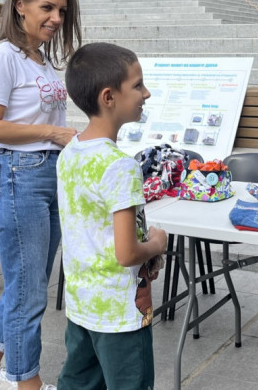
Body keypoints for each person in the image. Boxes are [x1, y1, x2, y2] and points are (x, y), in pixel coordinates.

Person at [0, 0, 82, 390]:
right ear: (20, 5)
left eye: (61, 10)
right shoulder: (3, 56)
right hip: (19, 176)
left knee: (26, 284)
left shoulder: (40, 59)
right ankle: (25, 383)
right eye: (47, 7)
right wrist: (53, 133)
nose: (56, 18)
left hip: (47, 175)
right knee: (29, 290)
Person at [55, 42, 167, 389]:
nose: (145, 93)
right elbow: (127, 253)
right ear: (108, 97)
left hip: (82, 305)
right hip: (120, 313)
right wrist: (157, 244)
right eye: (137, 85)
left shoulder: (71, 152)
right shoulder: (120, 167)